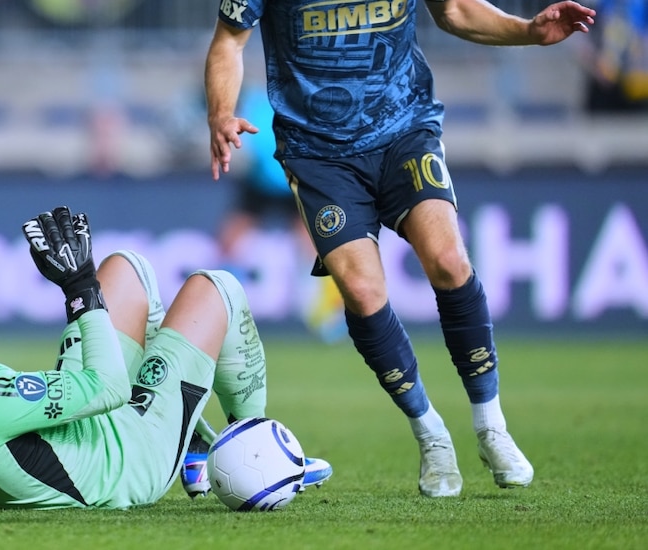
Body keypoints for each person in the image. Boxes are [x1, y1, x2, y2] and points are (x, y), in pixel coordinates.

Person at [204, 0, 596, 497]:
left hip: (403, 130)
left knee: (450, 260)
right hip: (318, 152)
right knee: (363, 292)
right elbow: (229, 40)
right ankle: (431, 435)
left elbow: (453, 11)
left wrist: (528, 32)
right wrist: (220, 112)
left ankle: (491, 425)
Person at [0, 206, 332, 509]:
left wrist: (89, 299)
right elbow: (111, 389)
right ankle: (254, 451)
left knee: (125, 267)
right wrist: (79, 292)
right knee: (218, 289)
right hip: (123, 463)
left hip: (80, 439)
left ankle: (193, 446)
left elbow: (25, 413)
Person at [216, 85, 346, 343]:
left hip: (289, 177)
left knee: (310, 246)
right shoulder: (258, 99)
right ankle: (223, 313)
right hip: (266, 179)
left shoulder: (297, 96)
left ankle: (325, 316)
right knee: (230, 242)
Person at [581, 0, 648, 113]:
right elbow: (580, 35)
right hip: (603, 83)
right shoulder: (598, 4)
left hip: (638, 85)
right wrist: (594, 61)